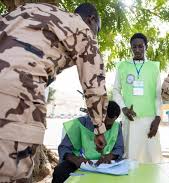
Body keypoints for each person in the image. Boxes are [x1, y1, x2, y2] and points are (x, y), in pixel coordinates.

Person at [0, 3, 108, 182]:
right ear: (92, 20)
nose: (95, 35)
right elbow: (94, 85)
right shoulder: (83, 29)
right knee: (12, 174)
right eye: (97, 30)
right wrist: (99, 128)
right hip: (17, 94)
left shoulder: (32, 10)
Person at [113, 33, 162, 163]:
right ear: (131, 48)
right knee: (130, 157)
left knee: (151, 158)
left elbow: (158, 95)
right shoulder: (123, 66)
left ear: (146, 47)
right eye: (134, 47)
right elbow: (116, 91)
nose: (137, 50)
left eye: (141, 46)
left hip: (149, 119)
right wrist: (123, 108)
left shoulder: (154, 67)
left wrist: (158, 117)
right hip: (130, 119)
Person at [52, 101, 124, 183]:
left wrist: (109, 156)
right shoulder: (80, 123)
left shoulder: (116, 126)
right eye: (103, 123)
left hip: (104, 165)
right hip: (79, 162)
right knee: (59, 172)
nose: (105, 129)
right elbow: (64, 148)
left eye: (109, 126)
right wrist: (75, 159)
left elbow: (119, 148)